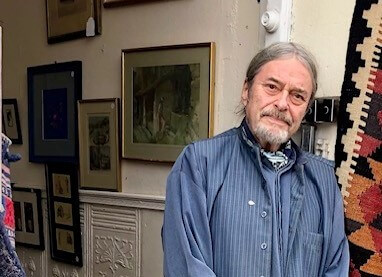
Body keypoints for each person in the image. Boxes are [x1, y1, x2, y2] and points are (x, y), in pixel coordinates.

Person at [162, 42, 349, 277]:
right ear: (246, 90)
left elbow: (335, 269)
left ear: (305, 109)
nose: (282, 104)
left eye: (297, 96)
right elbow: (187, 268)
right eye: (272, 87)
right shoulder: (199, 164)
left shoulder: (325, 181)